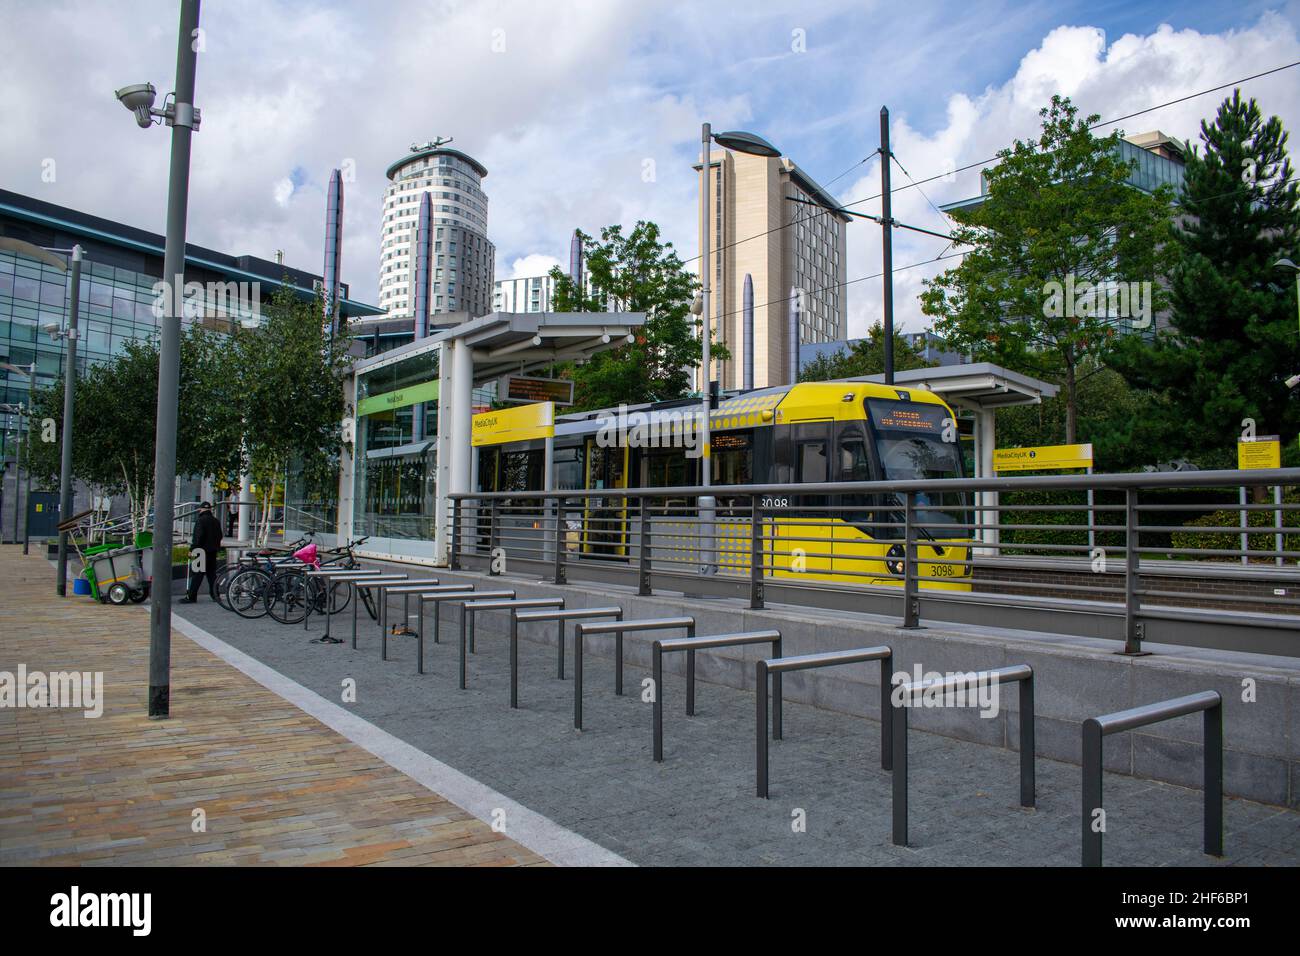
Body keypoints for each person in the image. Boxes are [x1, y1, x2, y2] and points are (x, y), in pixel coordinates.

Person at [181, 501, 223, 603]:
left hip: (201, 551)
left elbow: (198, 537)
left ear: (201, 509)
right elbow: (220, 535)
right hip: (212, 551)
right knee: (211, 575)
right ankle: (215, 595)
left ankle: (191, 596)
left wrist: (192, 549)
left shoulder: (200, 521)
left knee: (197, 575)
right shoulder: (216, 521)